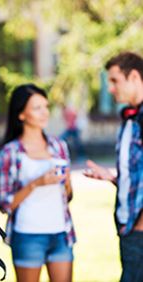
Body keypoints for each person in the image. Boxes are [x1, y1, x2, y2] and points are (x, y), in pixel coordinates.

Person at [0, 84, 76, 282]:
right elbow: (5, 204)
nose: (44, 113)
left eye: (46, 106)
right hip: (28, 235)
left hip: (61, 233)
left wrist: (66, 182)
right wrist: (36, 183)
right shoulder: (10, 152)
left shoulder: (59, 146)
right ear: (21, 114)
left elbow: (68, 196)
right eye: (37, 108)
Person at [84, 52, 143, 282]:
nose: (110, 88)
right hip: (128, 228)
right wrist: (112, 177)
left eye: (115, 81)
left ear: (135, 77)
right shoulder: (129, 119)